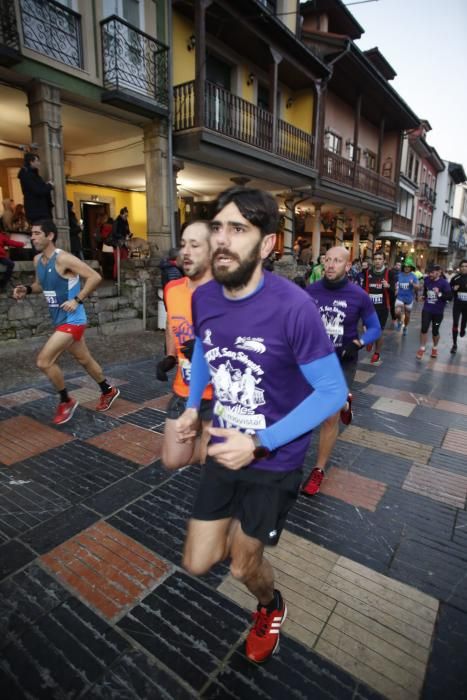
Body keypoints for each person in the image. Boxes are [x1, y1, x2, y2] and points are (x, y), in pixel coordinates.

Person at [175, 187, 347, 664]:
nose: (223, 240)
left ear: (267, 245)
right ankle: (241, 537)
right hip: (225, 446)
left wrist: (261, 441)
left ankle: (270, 607)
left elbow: (333, 392)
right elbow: (207, 350)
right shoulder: (205, 295)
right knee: (197, 560)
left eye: (239, 229)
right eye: (218, 228)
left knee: (241, 567)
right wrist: (193, 405)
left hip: (274, 458)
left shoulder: (294, 308)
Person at [12, 219, 120, 424]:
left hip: (73, 319)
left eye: (36, 233)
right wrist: (26, 289)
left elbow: (95, 277)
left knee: (44, 361)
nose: (32, 237)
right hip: (60, 320)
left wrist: (77, 299)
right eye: (31, 233)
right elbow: (40, 285)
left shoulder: (64, 259)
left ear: (50, 236)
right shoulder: (38, 261)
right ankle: (108, 389)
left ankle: (66, 400)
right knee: (84, 359)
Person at [301, 246, 381, 496]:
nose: (331, 265)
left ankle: (319, 470)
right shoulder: (310, 291)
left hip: (341, 363)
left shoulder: (358, 295)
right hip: (312, 362)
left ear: (348, 266)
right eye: (328, 260)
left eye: (338, 261)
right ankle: (346, 403)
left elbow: (374, 327)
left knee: (328, 417)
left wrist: (358, 343)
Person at [158, 221, 213, 470]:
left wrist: (208, 352)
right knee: (172, 461)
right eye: (183, 245)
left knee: (212, 460)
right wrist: (170, 355)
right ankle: (203, 438)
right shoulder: (172, 288)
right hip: (185, 387)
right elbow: (172, 323)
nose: (186, 252)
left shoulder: (227, 294)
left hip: (219, 396)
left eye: (195, 245)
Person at [358, 251, 396, 364]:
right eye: (375, 259)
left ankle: (377, 353)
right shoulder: (367, 272)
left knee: (378, 331)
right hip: (369, 307)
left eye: (380, 259)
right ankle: (370, 340)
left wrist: (388, 286)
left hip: (382, 307)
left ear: (384, 260)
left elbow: (394, 292)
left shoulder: (390, 273)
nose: (377, 261)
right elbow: (363, 289)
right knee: (366, 328)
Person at [416, 264, 452, 360]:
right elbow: (426, 290)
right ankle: (422, 348)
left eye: (432, 273)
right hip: (427, 309)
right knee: (424, 328)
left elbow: (449, 297)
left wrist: (439, 293)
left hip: (438, 311)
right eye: (428, 273)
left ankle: (435, 348)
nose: (430, 275)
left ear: (438, 272)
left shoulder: (444, 283)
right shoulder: (427, 280)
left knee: (435, 331)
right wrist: (423, 296)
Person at [18, 153, 54, 224]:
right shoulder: (27, 175)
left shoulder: (32, 174)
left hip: (40, 210)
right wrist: (49, 186)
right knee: (43, 231)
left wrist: (46, 185)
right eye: (37, 161)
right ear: (31, 162)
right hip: (37, 211)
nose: (39, 163)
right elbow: (38, 190)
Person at [394, 257, 419, 335]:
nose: (406, 268)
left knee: (407, 316)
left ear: (411, 268)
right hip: (400, 296)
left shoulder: (413, 276)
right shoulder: (399, 275)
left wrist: (413, 284)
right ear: (403, 267)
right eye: (405, 266)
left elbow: (418, 287)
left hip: (409, 298)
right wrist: (396, 289)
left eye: (408, 267)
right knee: (397, 312)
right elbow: (396, 283)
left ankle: (405, 327)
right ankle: (400, 321)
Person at [449, 259, 467, 354]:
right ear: (459, 268)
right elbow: (448, 290)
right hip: (457, 304)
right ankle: (454, 344)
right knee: (455, 323)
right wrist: (453, 288)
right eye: (462, 266)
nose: (464, 268)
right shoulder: (455, 278)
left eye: (466, 266)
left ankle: (463, 328)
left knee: (464, 322)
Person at [111, 207, 131, 279]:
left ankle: (123, 277)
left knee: (125, 260)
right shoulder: (116, 222)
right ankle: (116, 277)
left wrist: (129, 234)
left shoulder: (126, 222)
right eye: (125, 215)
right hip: (117, 244)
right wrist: (123, 236)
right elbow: (114, 233)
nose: (126, 217)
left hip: (125, 244)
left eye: (127, 216)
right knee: (117, 261)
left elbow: (127, 230)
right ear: (121, 214)